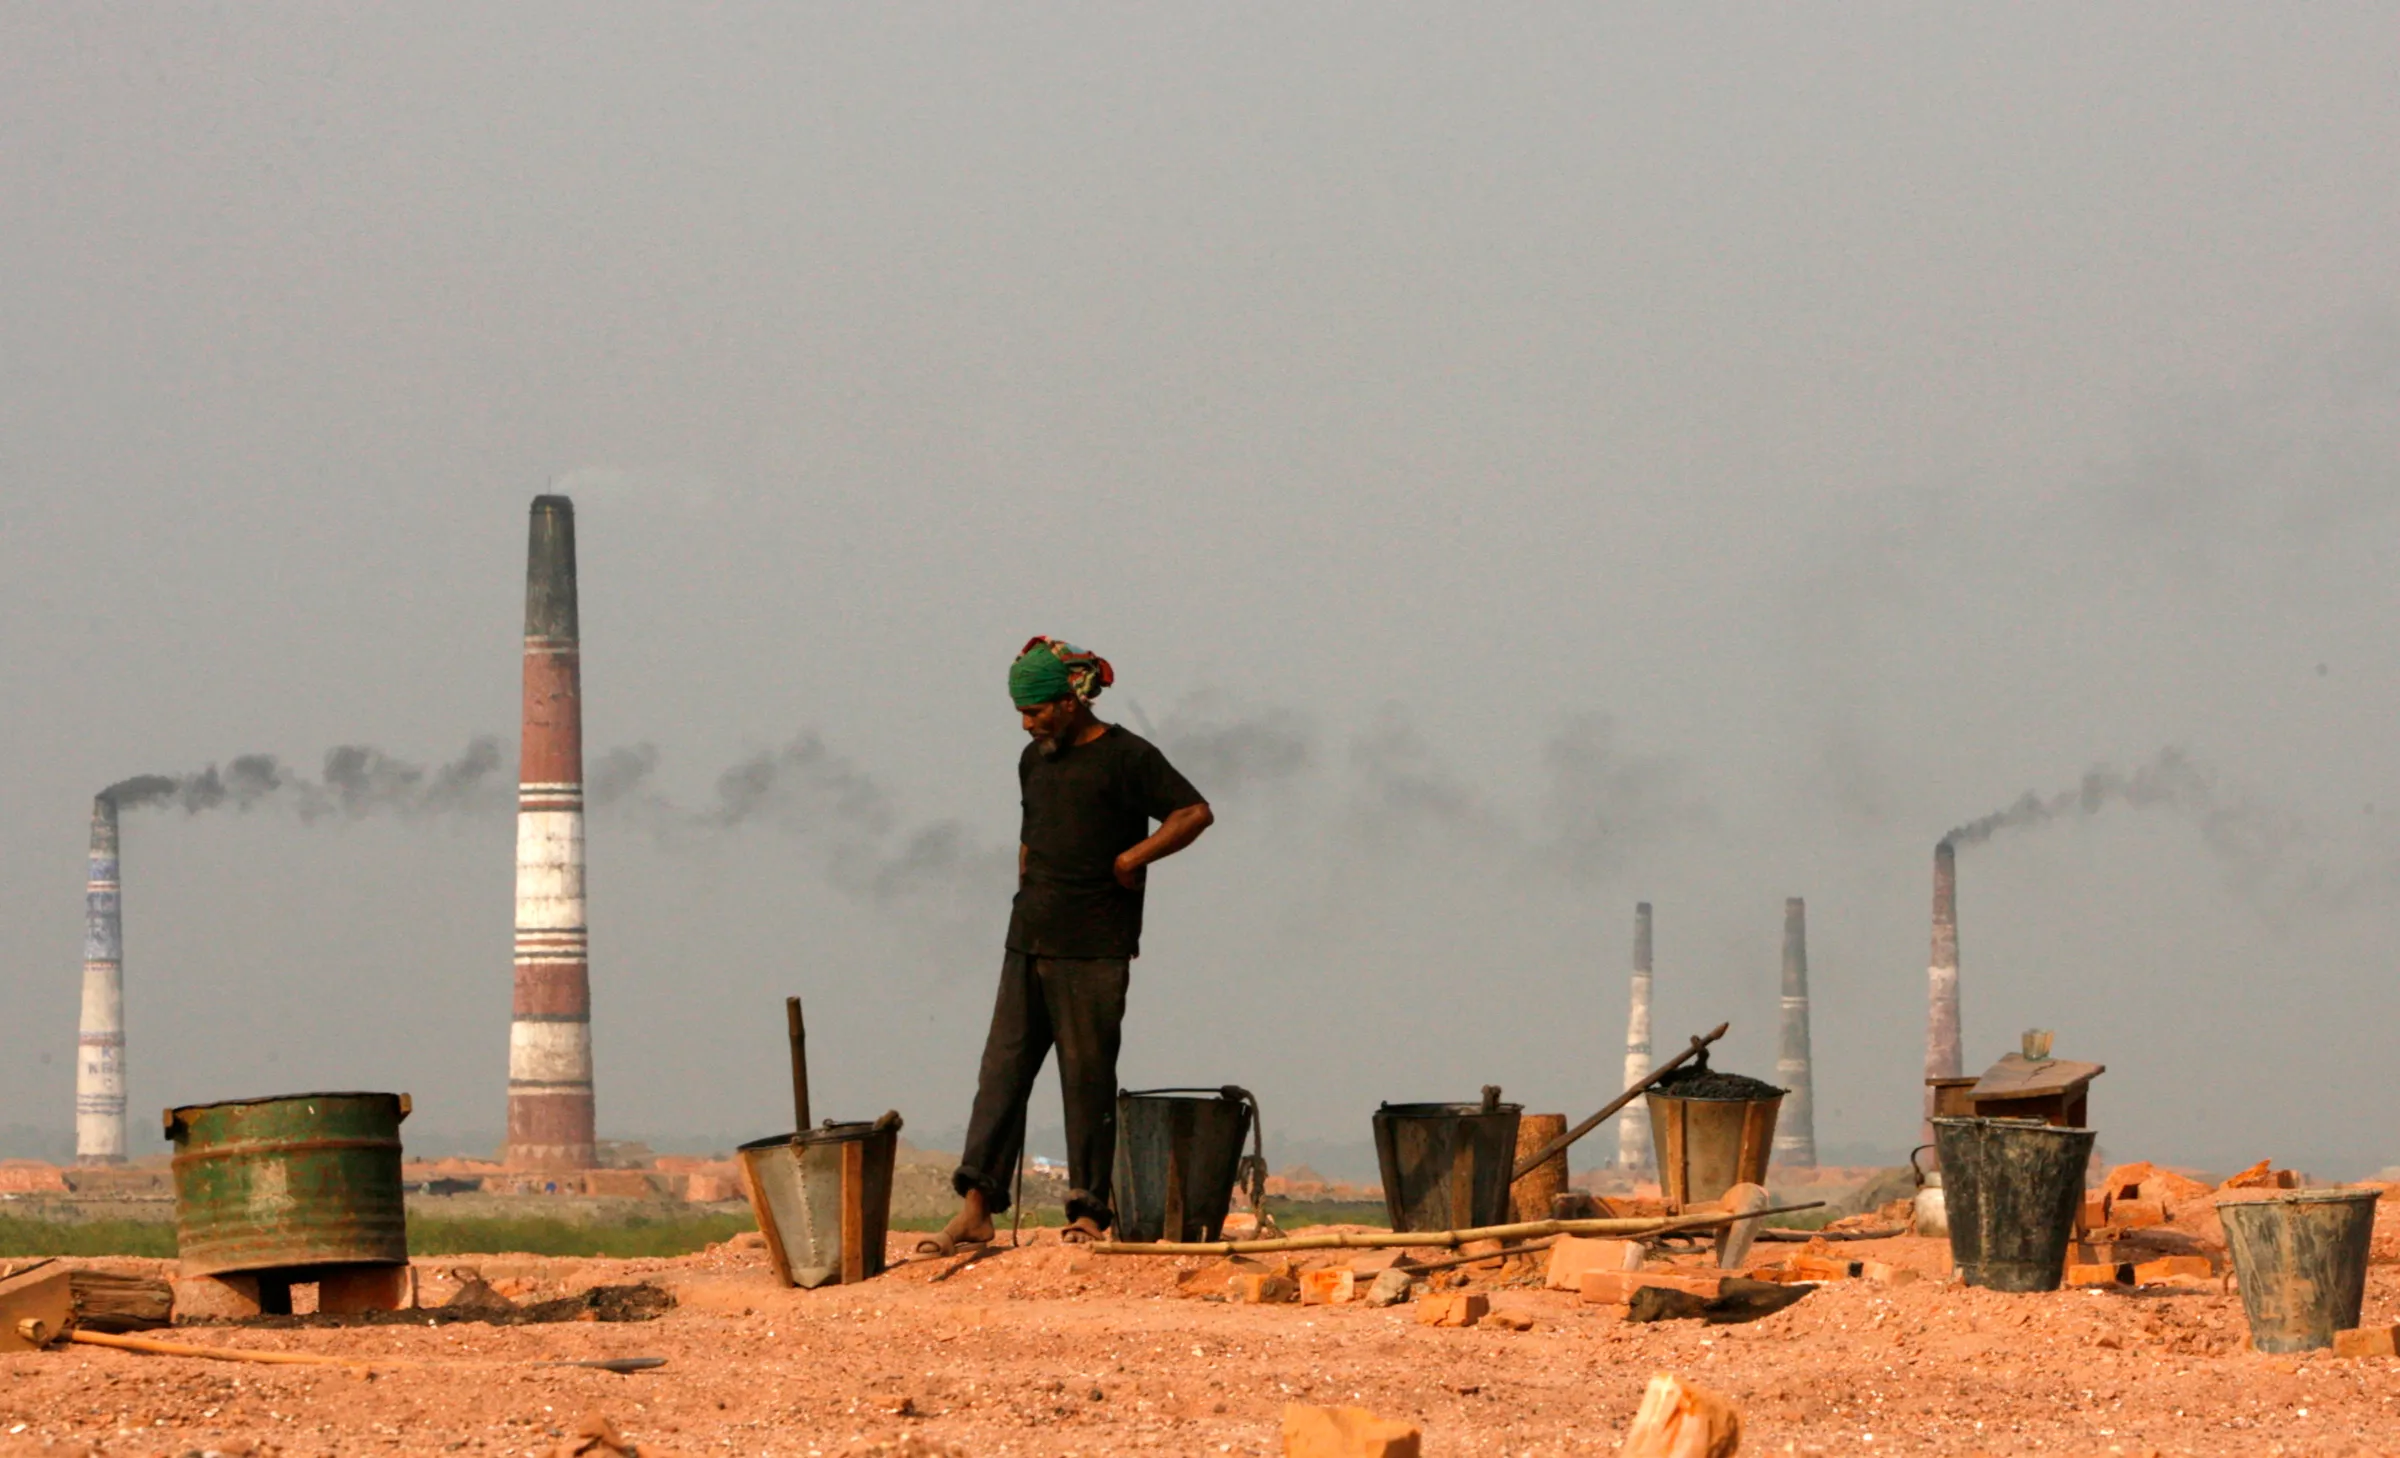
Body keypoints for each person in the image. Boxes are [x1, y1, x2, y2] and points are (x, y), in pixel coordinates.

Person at [918, 637, 1215, 1252]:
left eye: (1038, 712)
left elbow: (1193, 812)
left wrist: (1134, 856)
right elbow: (1030, 839)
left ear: (1072, 702)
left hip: (1095, 945)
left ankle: (1087, 1212)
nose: (1029, 724)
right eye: (1022, 715)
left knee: (1086, 1077)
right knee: (1001, 1071)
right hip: (1028, 939)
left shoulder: (1128, 757)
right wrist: (1027, 888)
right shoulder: (1035, 760)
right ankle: (976, 1207)